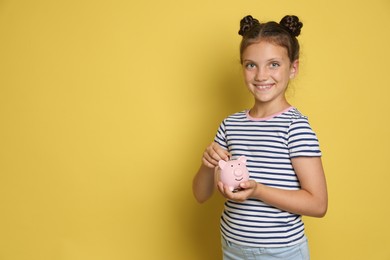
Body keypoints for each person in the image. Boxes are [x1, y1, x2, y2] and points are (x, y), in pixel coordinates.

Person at [192, 15, 328, 260]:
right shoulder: (230, 125)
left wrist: (258, 191)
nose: (261, 75)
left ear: (293, 68)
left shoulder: (295, 127)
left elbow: (318, 204)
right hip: (232, 246)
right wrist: (206, 165)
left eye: (274, 64)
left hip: (281, 252)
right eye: (251, 64)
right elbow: (201, 195)